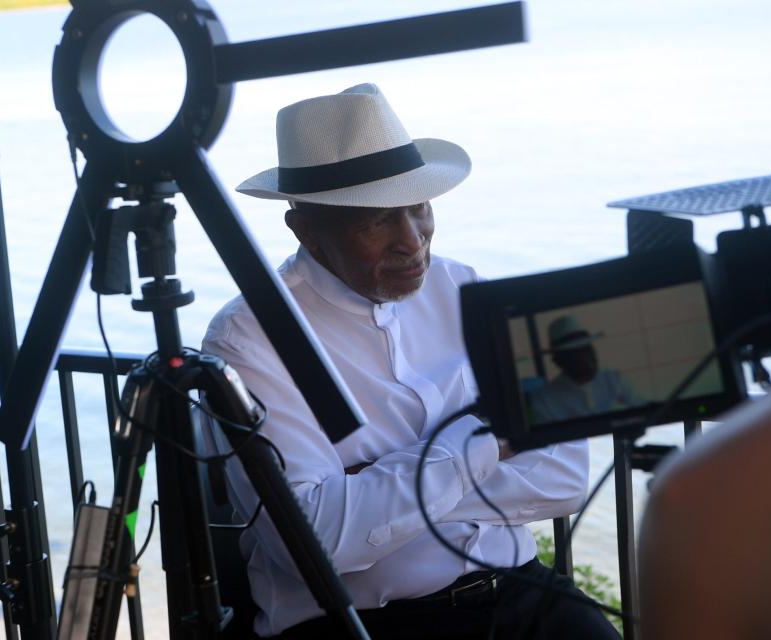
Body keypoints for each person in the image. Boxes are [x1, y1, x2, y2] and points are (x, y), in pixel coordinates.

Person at [201, 83, 619, 638]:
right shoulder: (250, 338)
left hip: (518, 589)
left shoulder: (465, 286)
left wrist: (378, 495)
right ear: (304, 229)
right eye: (375, 221)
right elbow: (315, 543)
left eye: (418, 207)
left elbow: (565, 477)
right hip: (361, 622)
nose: (411, 240)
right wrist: (492, 441)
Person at [528, 316, 642, 424]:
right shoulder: (544, 401)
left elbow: (642, 414)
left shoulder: (615, 379)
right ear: (558, 362)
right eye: (575, 355)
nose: (586, 358)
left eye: (587, 349)